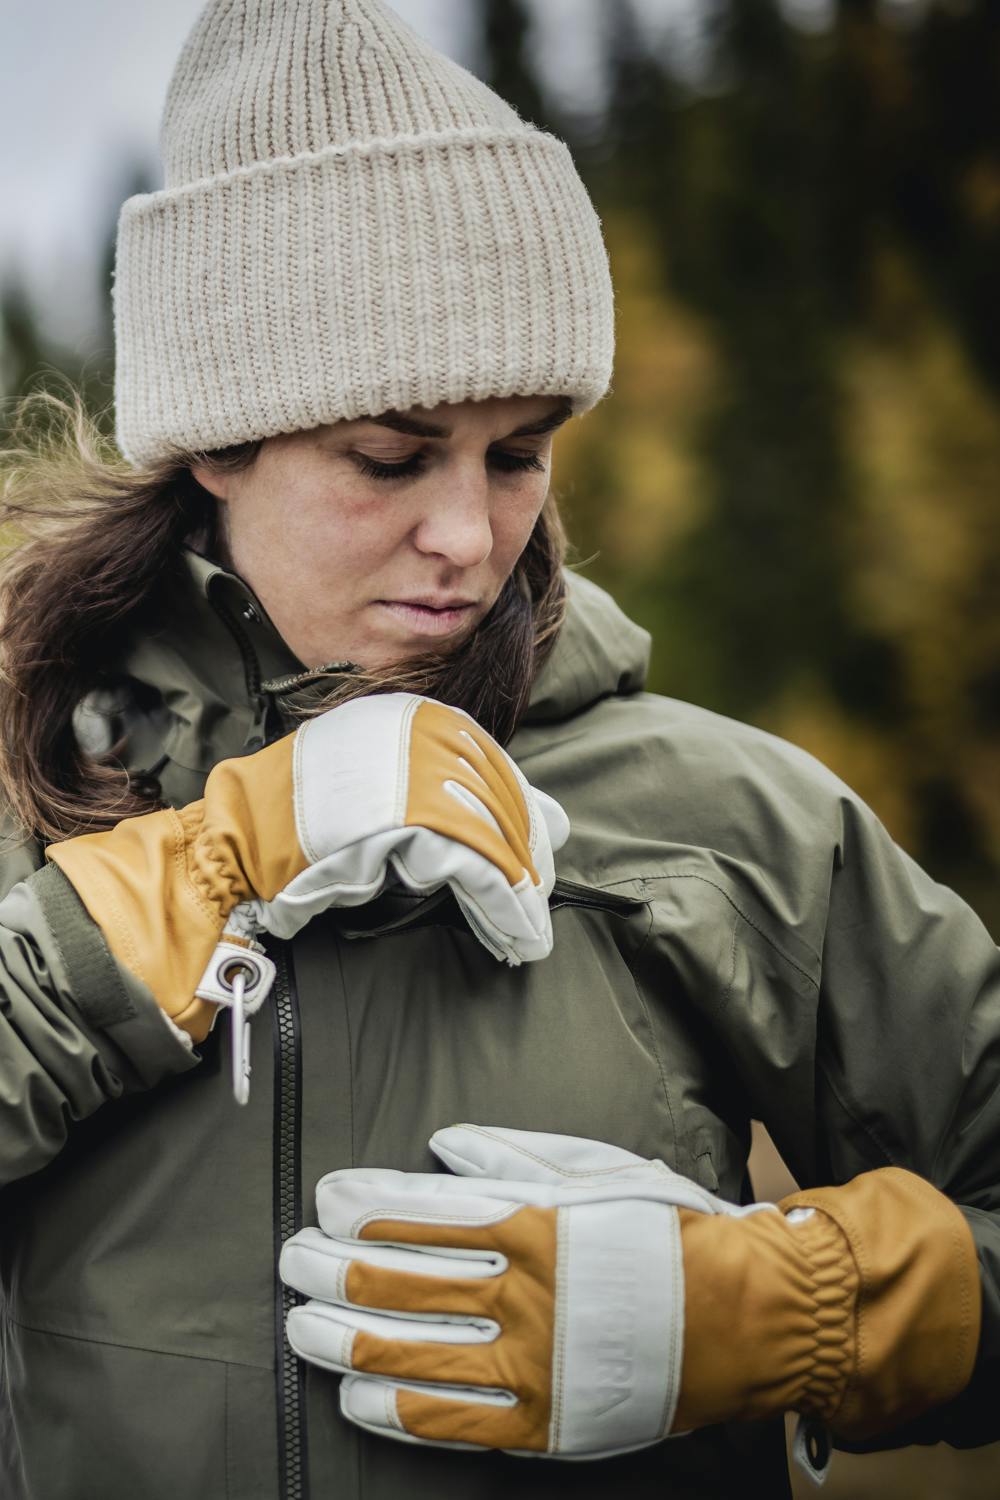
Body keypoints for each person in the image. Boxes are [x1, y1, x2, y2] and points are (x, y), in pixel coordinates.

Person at [0, 2, 996, 1497]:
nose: (469, 537)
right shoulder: (33, 790)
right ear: (216, 444)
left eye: (519, 452)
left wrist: (781, 1313)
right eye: (391, 459)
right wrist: (199, 873)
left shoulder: (725, 821)